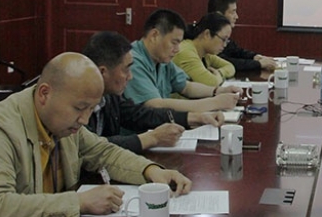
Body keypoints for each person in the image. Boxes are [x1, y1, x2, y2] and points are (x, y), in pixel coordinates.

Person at [0, 53, 192, 217]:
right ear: (44, 93)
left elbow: (103, 152)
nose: (85, 119)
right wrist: (79, 202)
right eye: (80, 108)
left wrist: (151, 171)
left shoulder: (62, 122)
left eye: (91, 109)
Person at [82, 31, 224, 153]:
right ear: (102, 72)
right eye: (126, 69)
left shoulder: (110, 96)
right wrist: (151, 138)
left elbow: (140, 115)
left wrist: (194, 118)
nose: (130, 77)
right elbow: (89, 147)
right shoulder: (78, 104)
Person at [123, 8, 240, 113]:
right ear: (154, 35)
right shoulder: (133, 62)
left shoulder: (162, 60)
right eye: (174, 43)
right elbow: (155, 105)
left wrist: (218, 91)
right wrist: (214, 103)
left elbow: (186, 87)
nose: (177, 49)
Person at [208, 0, 278, 72]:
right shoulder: (210, 34)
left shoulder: (222, 33)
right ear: (219, 14)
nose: (236, 16)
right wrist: (258, 64)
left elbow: (237, 51)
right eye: (233, 12)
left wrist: (255, 57)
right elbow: (224, 62)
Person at [174, 13, 236, 87]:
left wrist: (219, 72)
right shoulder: (186, 53)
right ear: (207, 34)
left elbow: (230, 67)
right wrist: (218, 78)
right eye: (223, 39)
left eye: (227, 41)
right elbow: (212, 83)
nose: (225, 45)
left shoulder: (206, 54)